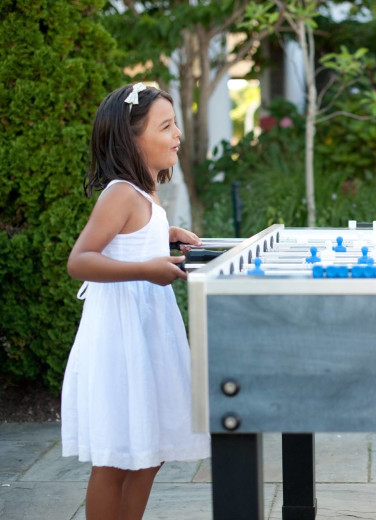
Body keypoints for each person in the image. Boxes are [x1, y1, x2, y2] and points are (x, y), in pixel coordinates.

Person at [61, 82, 210, 519]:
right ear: (132, 139)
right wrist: (146, 269)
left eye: (175, 123)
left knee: (151, 451)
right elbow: (80, 260)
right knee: (115, 458)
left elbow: (131, 235)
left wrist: (166, 234)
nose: (177, 133)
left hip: (147, 335)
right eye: (166, 126)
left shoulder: (144, 194)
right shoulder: (120, 192)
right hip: (119, 338)